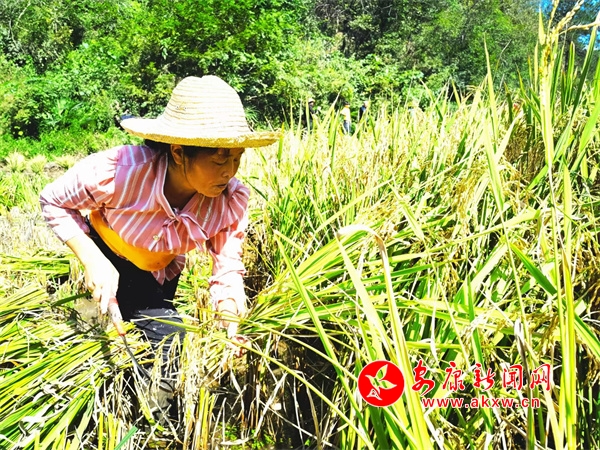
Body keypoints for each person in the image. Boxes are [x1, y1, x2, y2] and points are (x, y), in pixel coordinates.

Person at [39, 75, 280, 367]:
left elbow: (227, 265)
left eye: (237, 158)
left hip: (162, 268)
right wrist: (93, 260)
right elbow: (53, 200)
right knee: (170, 337)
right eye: (219, 160)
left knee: (150, 341)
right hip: (107, 250)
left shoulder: (229, 201)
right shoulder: (121, 171)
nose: (229, 171)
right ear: (178, 152)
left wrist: (229, 317)